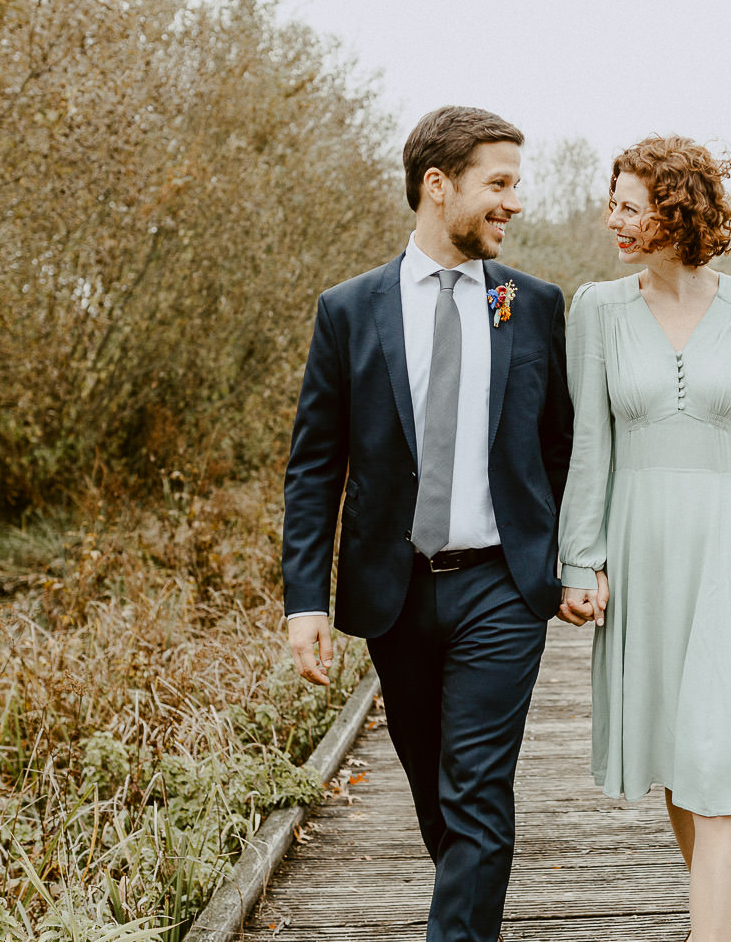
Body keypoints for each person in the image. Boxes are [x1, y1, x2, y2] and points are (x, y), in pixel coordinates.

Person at [282, 105, 578, 942]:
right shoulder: (349, 310)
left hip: (503, 585)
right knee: (436, 798)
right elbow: (315, 466)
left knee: (476, 789)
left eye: (517, 185)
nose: (514, 203)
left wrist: (572, 562)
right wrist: (304, 601)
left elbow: (562, 449)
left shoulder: (535, 305)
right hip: (394, 592)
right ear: (437, 186)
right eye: (499, 184)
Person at [557, 135, 731, 942]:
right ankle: (715, 899)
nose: (613, 219)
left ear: (675, 212)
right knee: (680, 763)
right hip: (643, 555)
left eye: (628, 206)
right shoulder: (596, 310)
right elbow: (589, 451)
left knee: (716, 762)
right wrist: (581, 560)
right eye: (613, 203)